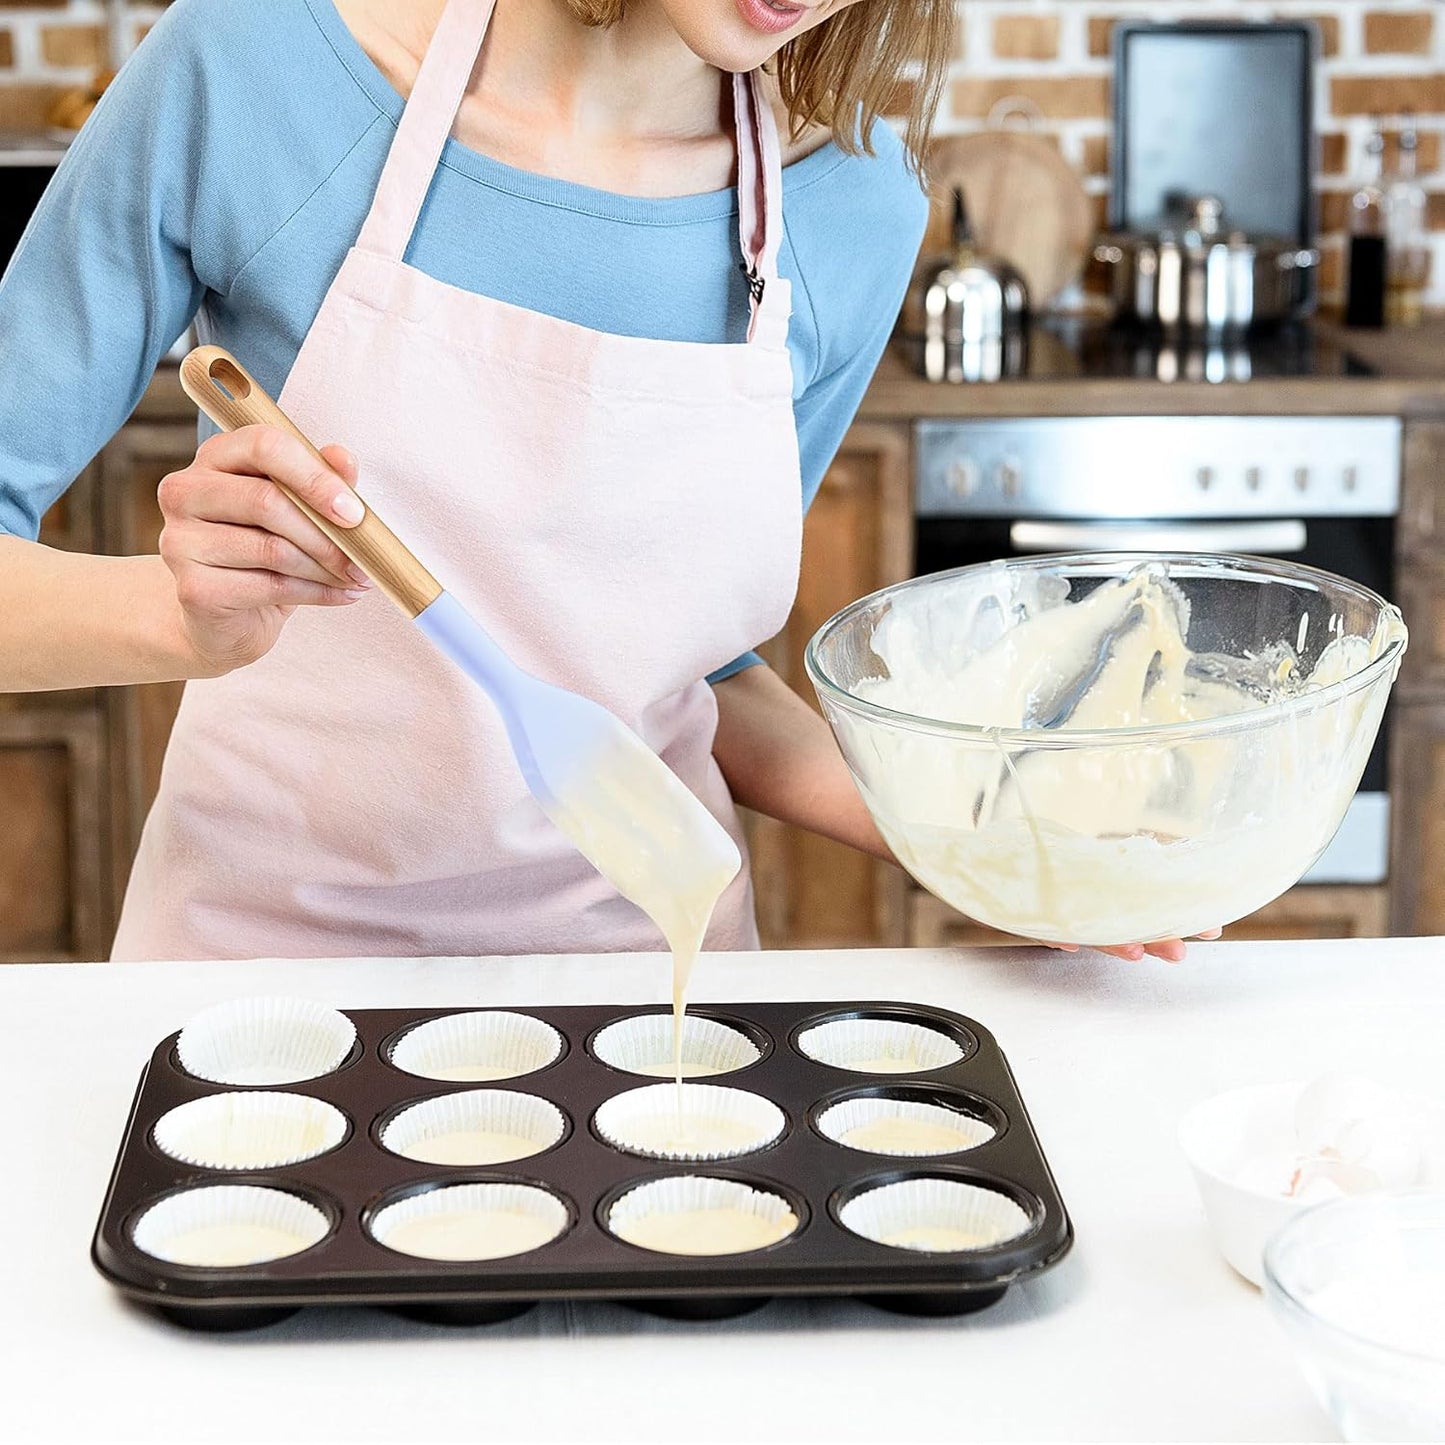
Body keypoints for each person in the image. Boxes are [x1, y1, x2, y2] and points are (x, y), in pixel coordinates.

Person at [0, 0, 1203, 963]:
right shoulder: (257, 71)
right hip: (260, 982)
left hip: (643, 989)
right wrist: (173, 616)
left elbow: (688, 676)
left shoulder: (848, 205)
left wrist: (986, 838)